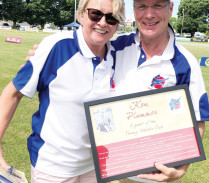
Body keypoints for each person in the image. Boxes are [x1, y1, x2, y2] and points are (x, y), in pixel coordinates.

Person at [24, 0, 209, 182]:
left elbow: (197, 118)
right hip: (110, 170)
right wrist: (41, 54)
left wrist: (181, 169)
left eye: (158, 5)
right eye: (142, 6)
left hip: (155, 174)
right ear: (134, 10)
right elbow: (82, 45)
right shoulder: (114, 47)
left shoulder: (186, 62)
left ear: (170, 9)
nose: (149, 14)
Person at [0, 0, 125, 182]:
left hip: (95, 166)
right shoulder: (57, 46)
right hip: (53, 167)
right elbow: (13, 92)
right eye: (95, 14)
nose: (103, 22)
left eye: (112, 18)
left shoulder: (119, 54)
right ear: (81, 15)